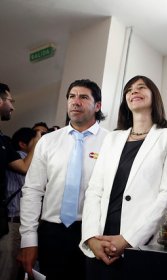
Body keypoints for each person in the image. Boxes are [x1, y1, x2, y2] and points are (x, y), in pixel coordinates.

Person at [79, 75, 167, 279]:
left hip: (140, 243)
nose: (133, 91)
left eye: (141, 87)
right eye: (129, 90)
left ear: (154, 96)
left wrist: (128, 239)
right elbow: (94, 190)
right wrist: (91, 237)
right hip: (99, 242)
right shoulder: (112, 138)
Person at [18, 79, 109, 280]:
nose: (75, 102)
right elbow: (32, 190)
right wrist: (28, 239)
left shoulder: (111, 142)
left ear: (97, 106)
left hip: (94, 233)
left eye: (83, 97)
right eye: (71, 96)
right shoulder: (48, 142)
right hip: (51, 234)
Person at [0, 83, 40, 239]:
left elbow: (24, 167)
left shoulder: (3, 140)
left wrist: (36, 143)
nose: (13, 107)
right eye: (11, 101)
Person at [0, 127, 36, 280]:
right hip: (12, 224)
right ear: (22, 144)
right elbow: (26, 171)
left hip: (13, 224)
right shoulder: (21, 158)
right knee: (7, 272)